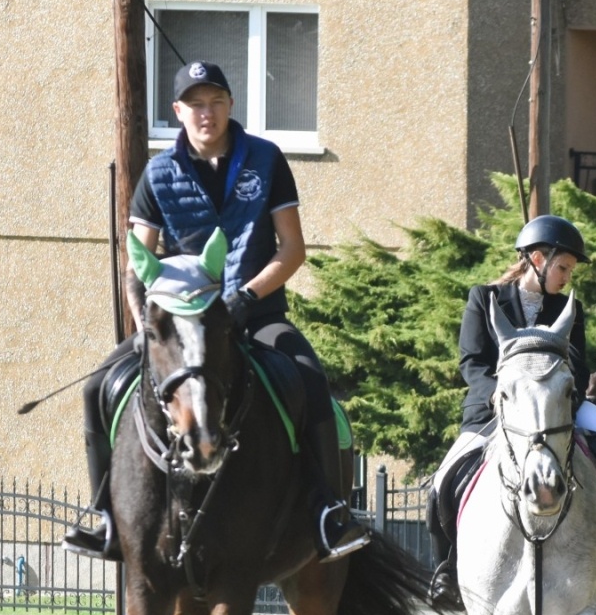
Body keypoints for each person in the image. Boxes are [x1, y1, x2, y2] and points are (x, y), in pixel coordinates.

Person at [63, 60, 368, 562]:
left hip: (256, 313)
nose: (207, 113)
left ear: (230, 105)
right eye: (196, 104)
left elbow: (291, 249)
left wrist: (245, 297)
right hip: (182, 327)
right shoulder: (158, 174)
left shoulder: (266, 160)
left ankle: (329, 514)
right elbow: (138, 265)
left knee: (311, 379)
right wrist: (149, 328)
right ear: (178, 111)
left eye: (217, 102)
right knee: (98, 384)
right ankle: (105, 517)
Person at [425, 215, 596, 607]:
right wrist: (500, 397)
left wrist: (557, 403)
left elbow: (579, 366)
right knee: (441, 481)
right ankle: (446, 570)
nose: (567, 276)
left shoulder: (569, 308)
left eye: (570, 269)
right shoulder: (483, 298)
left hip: (556, 411)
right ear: (538, 258)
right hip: (494, 411)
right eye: (563, 267)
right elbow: (472, 362)